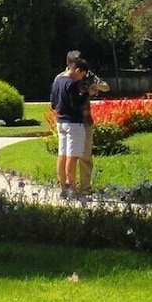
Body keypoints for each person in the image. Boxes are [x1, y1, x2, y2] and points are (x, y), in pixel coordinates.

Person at [50, 52, 108, 196]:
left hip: (64, 121)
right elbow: (76, 104)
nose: (82, 76)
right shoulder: (71, 82)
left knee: (63, 155)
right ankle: (71, 189)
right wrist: (88, 93)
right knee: (72, 156)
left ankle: (65, 187)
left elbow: (53, 103)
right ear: (75, 67)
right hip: (74, 122)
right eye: (81, 74)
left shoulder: (59, 80)